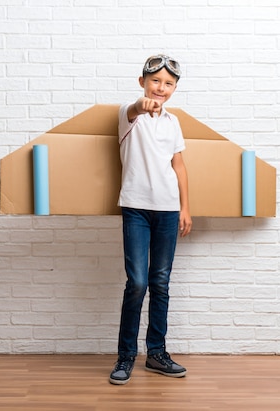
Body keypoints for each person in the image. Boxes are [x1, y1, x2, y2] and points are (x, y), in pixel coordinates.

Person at [109, 54, 192, 385]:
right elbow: (136, 108)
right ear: (142, 81)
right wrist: (144, 106)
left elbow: (180, 166)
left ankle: (156, 353)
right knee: (138, 283)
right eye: (155, 81)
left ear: (175, 88)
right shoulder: (130, 115)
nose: (161, 88)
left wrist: (185, 208)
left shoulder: (173, 122)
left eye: (168, 83)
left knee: (161, 283)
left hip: (169, 210)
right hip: (136, 208)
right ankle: (126, 356)